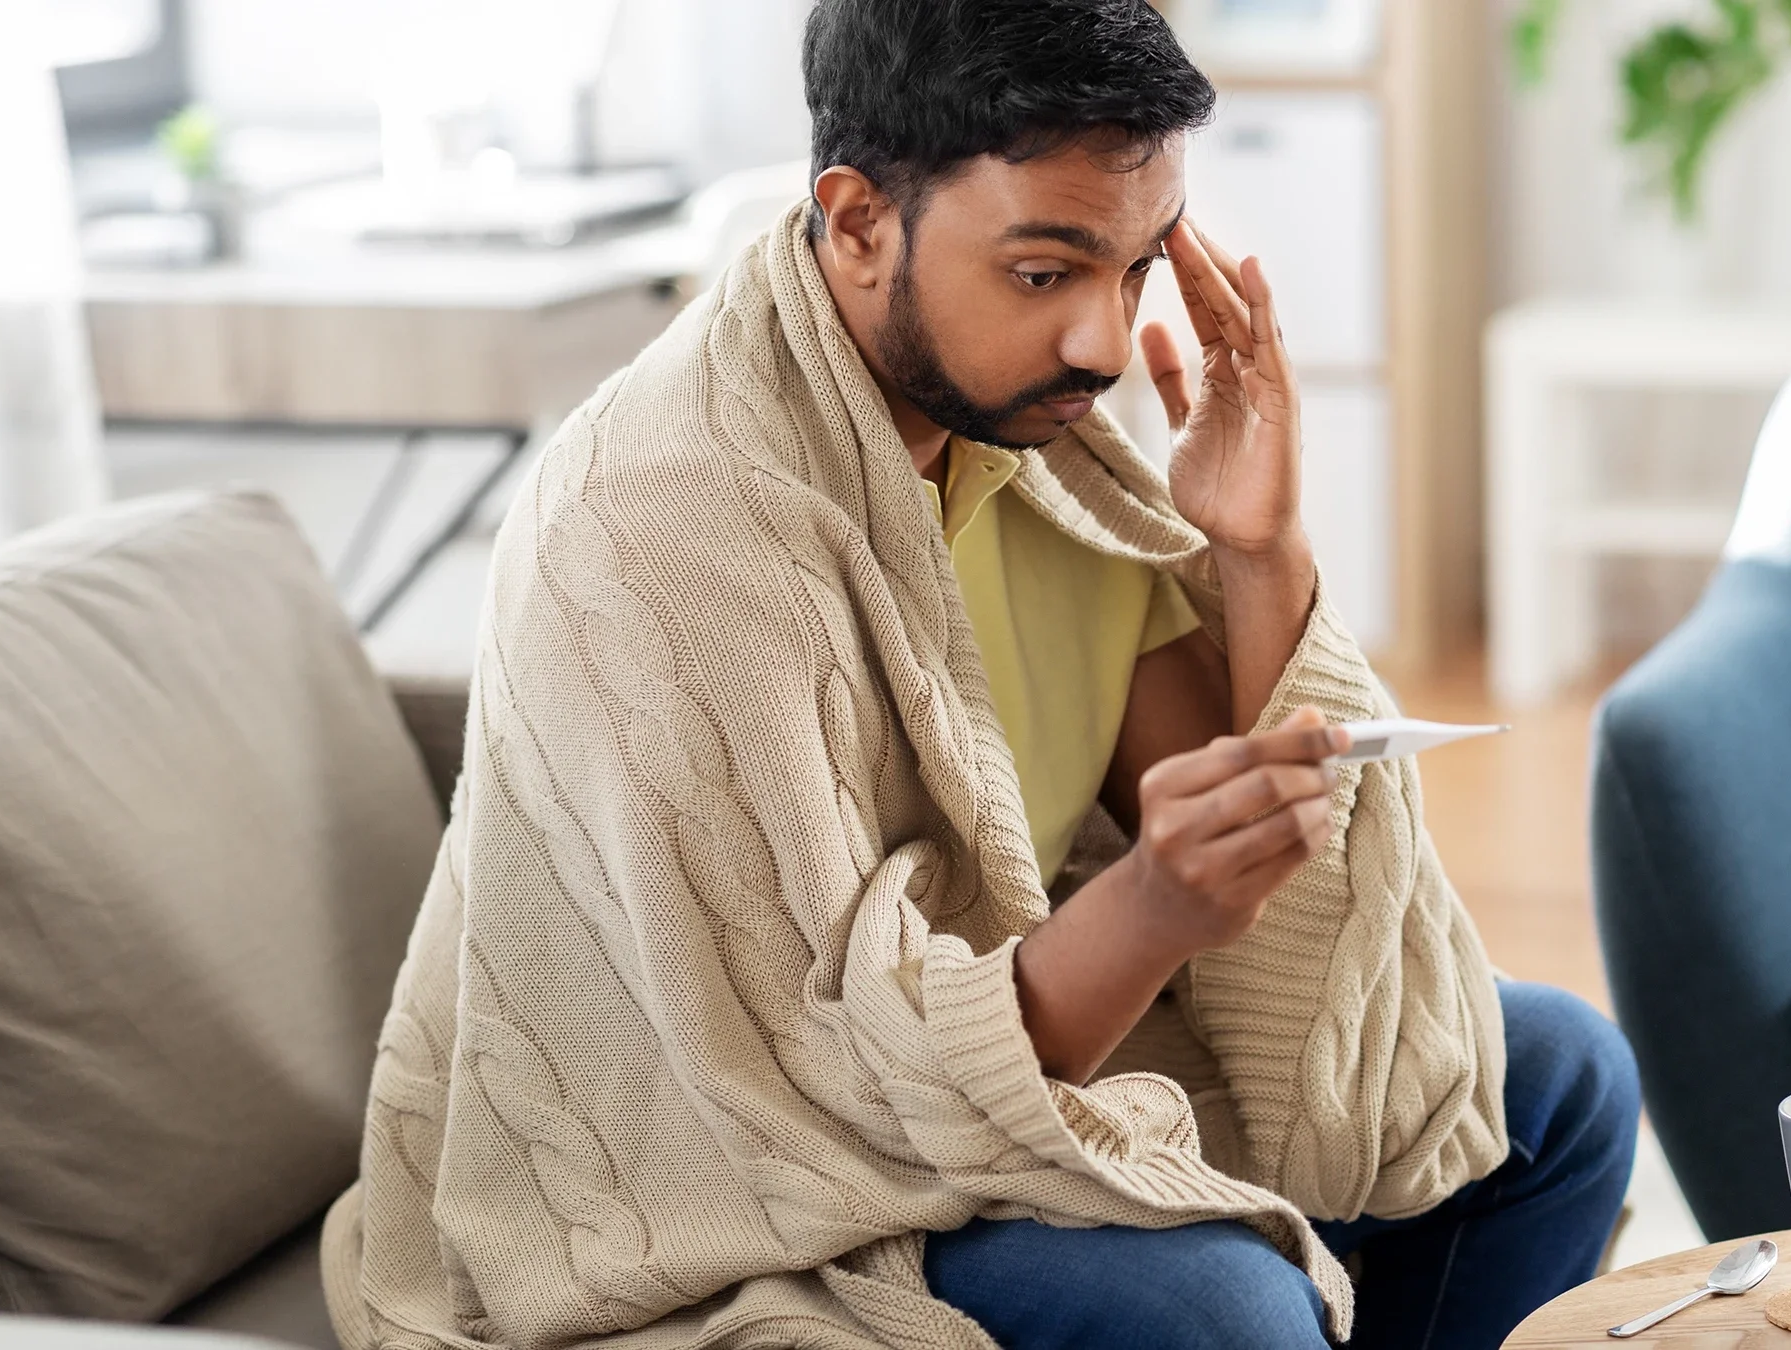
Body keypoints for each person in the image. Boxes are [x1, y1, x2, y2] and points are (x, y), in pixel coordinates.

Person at [321, 2, 1637, 1348]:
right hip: (756, 1164)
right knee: (1222, 1315)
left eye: (1134, 272)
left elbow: (1229, 843)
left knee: (1558, 1080)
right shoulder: (662, 529)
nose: (1105, 344)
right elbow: (811, 1078)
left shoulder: (1040, 445)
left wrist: (1260, 543)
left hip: (1006, 1049)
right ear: (854, 220)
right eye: (1044, 272)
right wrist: (1154, 900)